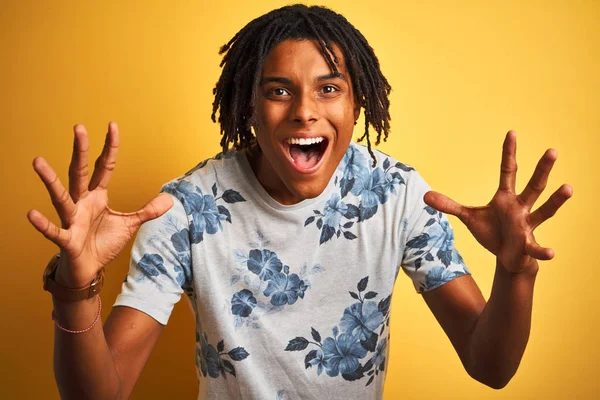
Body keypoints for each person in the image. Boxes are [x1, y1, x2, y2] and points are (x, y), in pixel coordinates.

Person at [28, 4, 572, 400]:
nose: (305, 111)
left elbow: (490, 366)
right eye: (278, 89)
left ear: (360, 103)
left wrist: (515, 273)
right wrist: (75, 290)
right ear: (248, 106)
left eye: (329, 88)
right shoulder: (187, 210)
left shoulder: (397, 194)